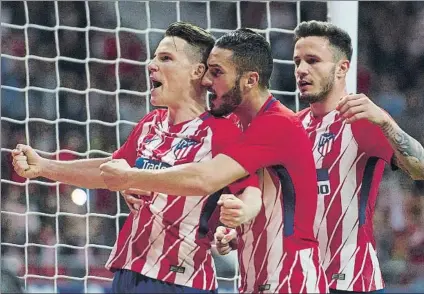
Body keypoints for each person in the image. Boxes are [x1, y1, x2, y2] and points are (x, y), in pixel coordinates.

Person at [11, 22, 261, 293]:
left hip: (180, 280)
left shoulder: (221, 130)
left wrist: (239, 222)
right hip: (128, 272)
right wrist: (46, 166)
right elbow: (109, 171)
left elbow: (251, 191)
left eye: (165, 58)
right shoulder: (150, 124)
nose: (152, 64)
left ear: (197, 72)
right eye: (154, 56)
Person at [99, 28, 328, 293]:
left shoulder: (277, 123)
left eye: (217, 72)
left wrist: (133, 176)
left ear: (250, 80)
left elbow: (206, 178)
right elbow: (258, 193)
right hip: (255, 277)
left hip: (292, 280)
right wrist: (234, 231)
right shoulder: (236, 125)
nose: (207, 81)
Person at [216, 20, 424, 294]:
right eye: (297, 61)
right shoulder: (290, 127)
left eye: (313, 61)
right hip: (299, 279)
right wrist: (240, 233)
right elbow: (277, 205)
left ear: (342, 68)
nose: (302, 70)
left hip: (351, 280)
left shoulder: (363, 120)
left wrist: (386, 124)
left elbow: (420, 169)